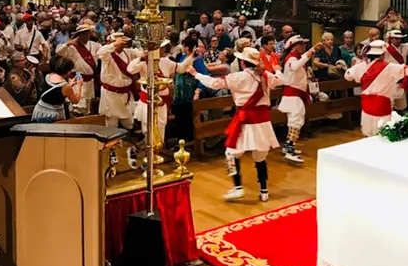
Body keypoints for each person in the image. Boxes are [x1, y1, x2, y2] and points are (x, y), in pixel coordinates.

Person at [188, 47, 284, 202]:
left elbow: (214, 83)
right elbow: (281, 80)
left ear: (242, 63)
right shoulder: (265, 75)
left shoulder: (237, 77)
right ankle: (264, 191)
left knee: (231, 153)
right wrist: (277, 70)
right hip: (263, 121)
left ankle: (238, 187)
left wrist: (196, 74)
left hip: (246, 120)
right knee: (260, 156)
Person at [125, 39, 194, 169]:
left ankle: (140, 153)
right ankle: (147, 161)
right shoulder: (144, 62)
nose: (163, 50)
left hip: (162, 103)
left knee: (159, 137)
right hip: (148, 102)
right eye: (160, 48)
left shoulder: (167, 62)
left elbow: (180, 68)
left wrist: (192, 57)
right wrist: (140, 58)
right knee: (149, 134)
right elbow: (130, 69)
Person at [344, 40, 408, 136]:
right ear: (383, 54)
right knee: (382, 134)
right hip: (382, 106)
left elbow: (347, 76)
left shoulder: (361, 66)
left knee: (368, 134)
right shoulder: (389, 67)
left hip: (366, 106)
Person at [277, 36, 318, 164]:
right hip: (292, 95)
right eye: (300, 44)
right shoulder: (291, 59)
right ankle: (290, 147)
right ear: (293, 46)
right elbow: (295, 66)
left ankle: (289, 145)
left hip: (297, 95)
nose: (303, 47)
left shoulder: (297, 57)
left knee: (297, 121)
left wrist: (310, 51)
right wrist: (311, 52)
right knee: (295, 121)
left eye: (304, 45)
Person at [56, 24, 101, 116]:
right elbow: (58, 52)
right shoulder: (72, 46)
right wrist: (67, 43)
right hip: (78, 76)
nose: (86, 35)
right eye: (83, 33)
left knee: (88, 103)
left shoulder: (95, 45)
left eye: (87, 33)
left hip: (90, 78)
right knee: (78, 104)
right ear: (79, 35)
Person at [32, 57, 82, 123]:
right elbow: (75, 101)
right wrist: (79, 85)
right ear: (68, 71)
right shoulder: (65, 86)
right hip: (51, 115)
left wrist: (70, 85)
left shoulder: (48, 76)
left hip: (40, 110)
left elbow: (55, 92)